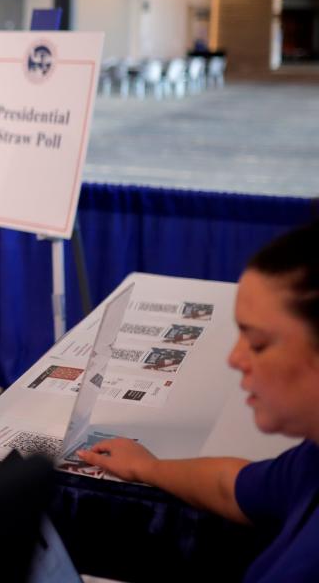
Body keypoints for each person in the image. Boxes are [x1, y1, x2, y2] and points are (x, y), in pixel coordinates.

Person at [78, 220, 319, 582]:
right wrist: (148, 468)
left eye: (258, 344)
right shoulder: (311, 460)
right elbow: (232, 485)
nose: (235, 359)